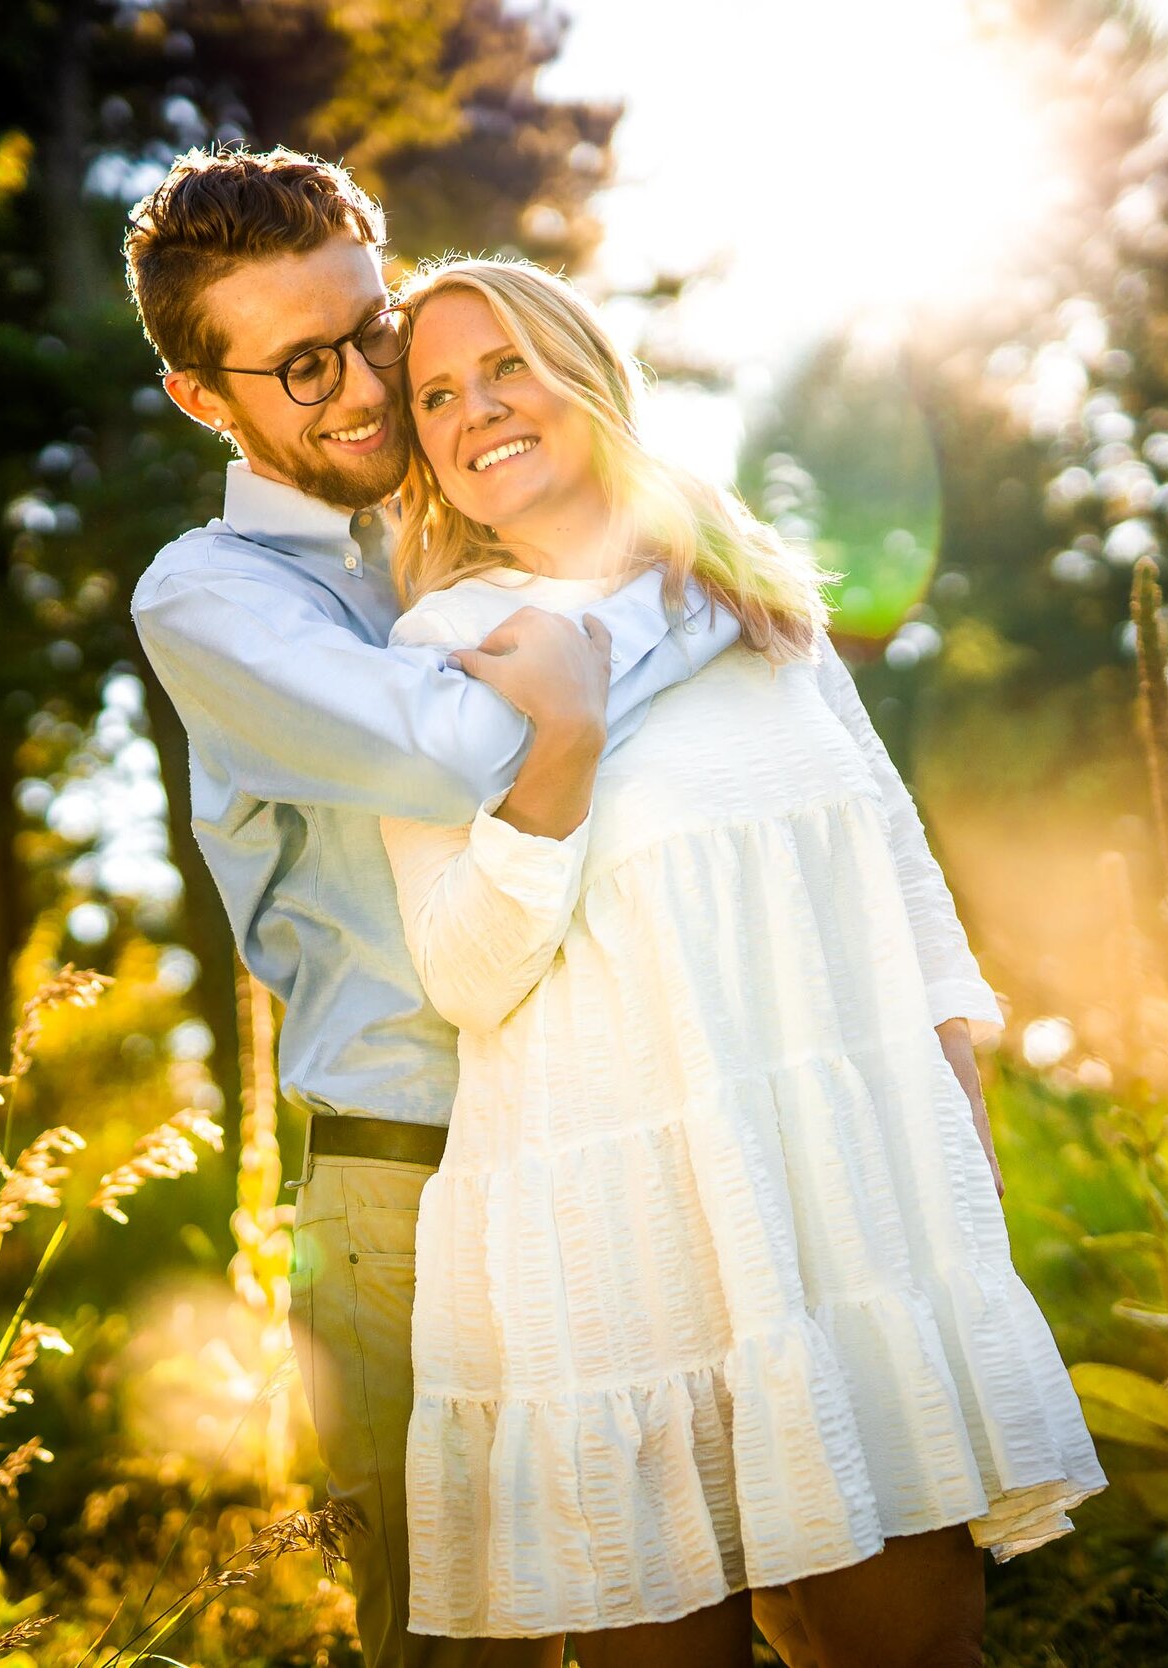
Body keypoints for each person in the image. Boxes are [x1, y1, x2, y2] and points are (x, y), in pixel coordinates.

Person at [377, 259, 1107, 1668]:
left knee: (912, 1647)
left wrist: (956, 1092)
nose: (477, 412)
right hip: (615, 1240)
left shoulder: (749, 590)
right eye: (437, 397)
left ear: (586, 375)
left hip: (840, 1199)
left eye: (507, 366)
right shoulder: (443, 652)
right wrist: (565, 748)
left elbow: (891, 858)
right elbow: (465, 974)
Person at [122, 147, 745, 1668]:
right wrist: (703, 593)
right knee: (461, 1643)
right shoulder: (209, 598)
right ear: (206, 400)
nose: (362, 387)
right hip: (404, 1185)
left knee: (688, 1592)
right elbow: (471, 741)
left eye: (373, 328)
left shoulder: (475, 514)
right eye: (299, 366)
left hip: (612, 1138)